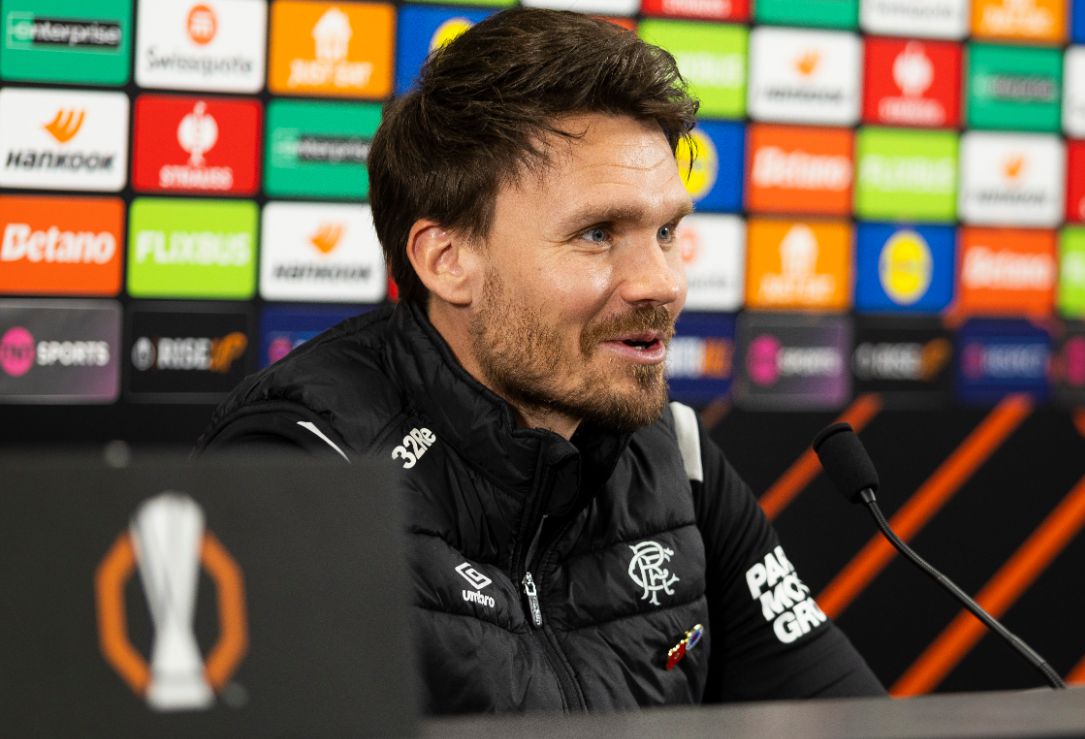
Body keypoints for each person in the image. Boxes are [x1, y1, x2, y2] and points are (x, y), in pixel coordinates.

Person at [196, 7, 884, 713]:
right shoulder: (302, 467)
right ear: (447, 260)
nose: (663, 283)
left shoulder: (676, 463)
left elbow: (845, 721)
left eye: (666, 231)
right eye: (597, 233)